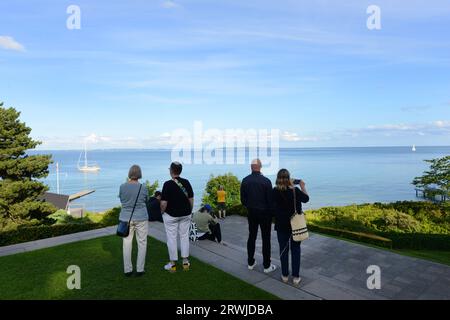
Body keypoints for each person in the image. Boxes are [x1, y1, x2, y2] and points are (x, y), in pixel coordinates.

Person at [272, 169, 309, 286]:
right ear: (289, 178)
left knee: (283, 250)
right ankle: (296, 277)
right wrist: (302, 186)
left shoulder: (274, 191)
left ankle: (284, 275)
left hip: (281, 225)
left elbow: (272, 206)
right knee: (295, 250)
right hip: (295, 226)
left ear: (278, 178)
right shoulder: (295, 191)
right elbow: (306, 199)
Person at [240, 159, 277, 273]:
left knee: (252, 237)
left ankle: (250, 262)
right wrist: (272, 215)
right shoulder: (266, 181)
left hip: (251, 213)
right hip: (265, 214)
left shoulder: (245, 180)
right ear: (260, 167)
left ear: (251, 167)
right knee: (266, 239)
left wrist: (250, 206)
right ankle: (267, 265)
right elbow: (270, 202)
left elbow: (243, 200)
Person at [160, 162, 194, 272]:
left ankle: (173, 264)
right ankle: (185, 262)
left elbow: (164, 203)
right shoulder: (186, 182)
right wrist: (189, 211)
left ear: (171, 171)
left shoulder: (167, 184)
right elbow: (191, 200)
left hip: (171, 216)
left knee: (171, 238)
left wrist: (161, 212)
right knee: (184, 237)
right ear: (180, 171)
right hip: (185, 214)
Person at [119, 165, 149, 277]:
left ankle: (128, 270)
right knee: (142, 243)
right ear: (139, 174)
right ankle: (140, 269)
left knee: (126, 243)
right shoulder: (144, 187)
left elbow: (122, 200)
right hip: (141, 218)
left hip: (126, 218)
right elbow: (147, 200)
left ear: (129, 173)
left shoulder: (122, 186)